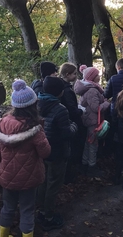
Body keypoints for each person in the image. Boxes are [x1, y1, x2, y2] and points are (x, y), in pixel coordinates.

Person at [0, 79, 51, 237]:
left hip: (7, 176)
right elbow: (45, 153)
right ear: (33, 105)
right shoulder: (34, 129)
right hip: (30, 178)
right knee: (27, 210)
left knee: (7, 208)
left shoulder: (1, 124)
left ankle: (3, 235)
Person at [36, 76, 77, 231]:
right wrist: (74, 125)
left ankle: (40, 210)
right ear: (59, 92)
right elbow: (67, 133)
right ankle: (48, 216)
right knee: (53, 184)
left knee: (43, 181)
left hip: (42, 150)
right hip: (58, 151)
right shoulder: (60, 109)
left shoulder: (37, 105)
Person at [73, 64, 111, 177]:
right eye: (97, 75)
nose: (99, 76)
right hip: (92, 121)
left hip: (89, 119)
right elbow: (96, 108)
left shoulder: (90, 87)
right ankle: (91, 167)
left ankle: (85, 164)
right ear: (92, 77)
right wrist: (106, 103)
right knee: (93, 144)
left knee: (88, 143)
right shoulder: (92, 90)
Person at [59, 62, 85, 183]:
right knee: (74, 149)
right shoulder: (67, 90)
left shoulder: (62, 87)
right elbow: (71, 109)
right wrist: (80, 111)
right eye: (74, 74)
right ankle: (71, 175)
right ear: (67, 74)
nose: (76, 76)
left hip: (68, 120)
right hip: (72, 121)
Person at [103, 58, 123, 156]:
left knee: (115, 130)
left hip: (115, 109)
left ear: (118, 67)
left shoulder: (113, 79)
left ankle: (114, 152)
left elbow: (106, 94)